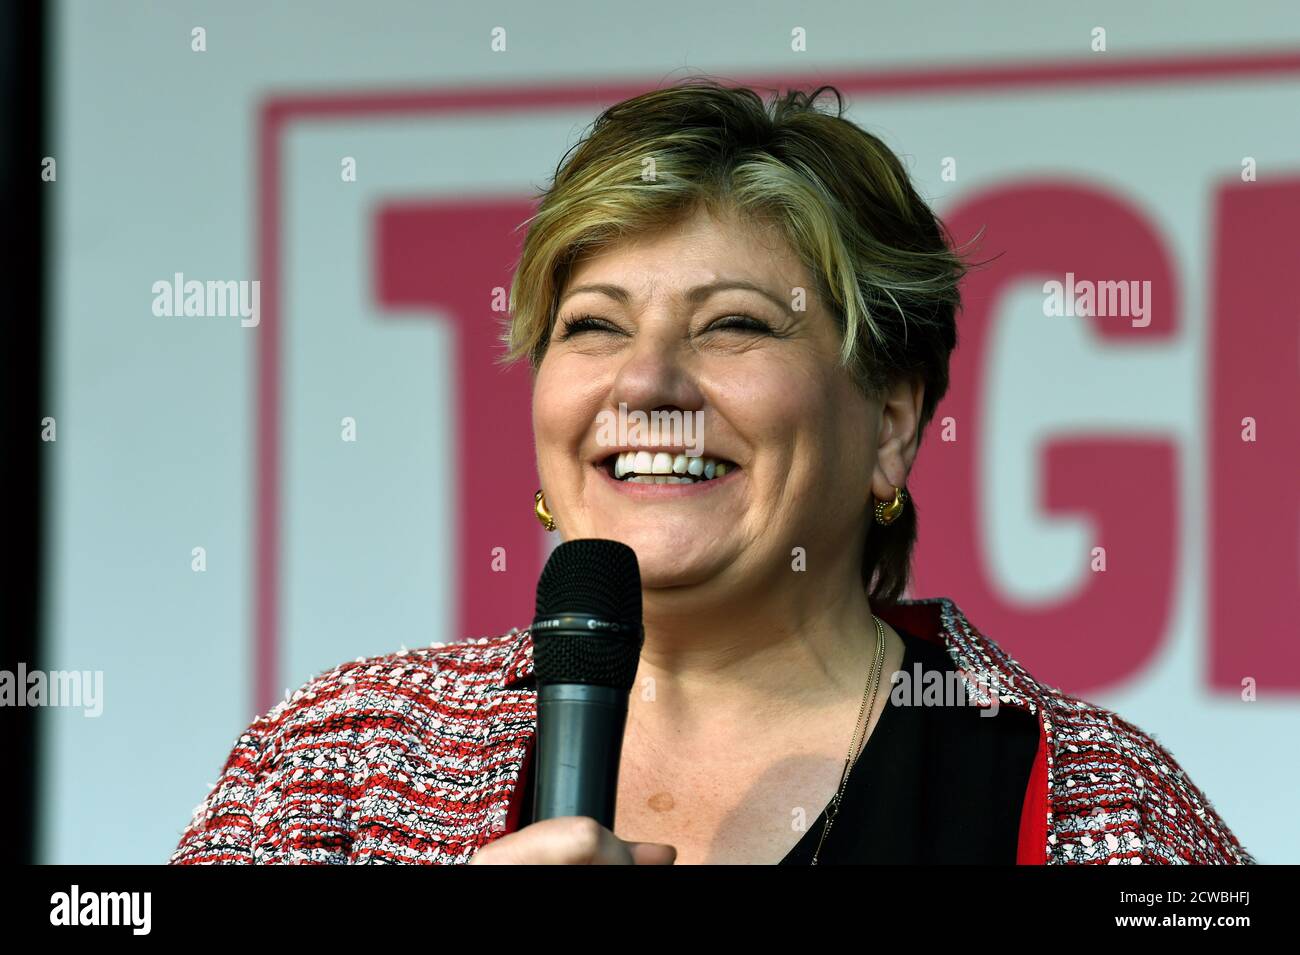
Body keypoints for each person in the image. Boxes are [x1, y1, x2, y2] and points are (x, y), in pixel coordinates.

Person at [169, 79, 1253, 865]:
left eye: (732, 323)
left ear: (888, 422)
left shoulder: (1101, 805)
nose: (645, 383)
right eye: (592, 326)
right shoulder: (340, 760)